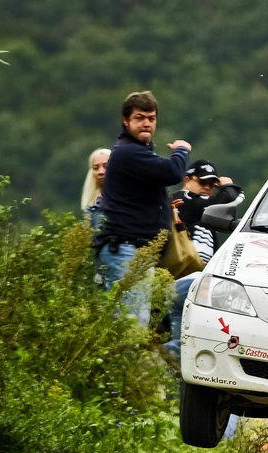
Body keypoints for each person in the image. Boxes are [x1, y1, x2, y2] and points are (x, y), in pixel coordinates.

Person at [96, 90, 191, 328]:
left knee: (136, 324)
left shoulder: (138, 151)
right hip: (126, 250)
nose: (147, 123)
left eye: (152, 118)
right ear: (125, 121)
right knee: (130, 327)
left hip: (136, 252)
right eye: (140, 117)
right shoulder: (129, 152)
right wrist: (181, 151)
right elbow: (173, 173)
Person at [163, 159, 245, 360]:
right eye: (203, 182)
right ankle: (157, 357)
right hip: (187, 279)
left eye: (212, 184)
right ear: (187, 180)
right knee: (184, 347)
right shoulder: (186, 199)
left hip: (187, 279)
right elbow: (233, 199)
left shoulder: (198, 206)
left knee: (187, 342)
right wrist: (226, 185)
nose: (207, 187)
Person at [80, 147, 110, 233]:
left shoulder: (127, 201)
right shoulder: (91, 209)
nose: (101, 172)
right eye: (96, 168)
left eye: (106, 166)